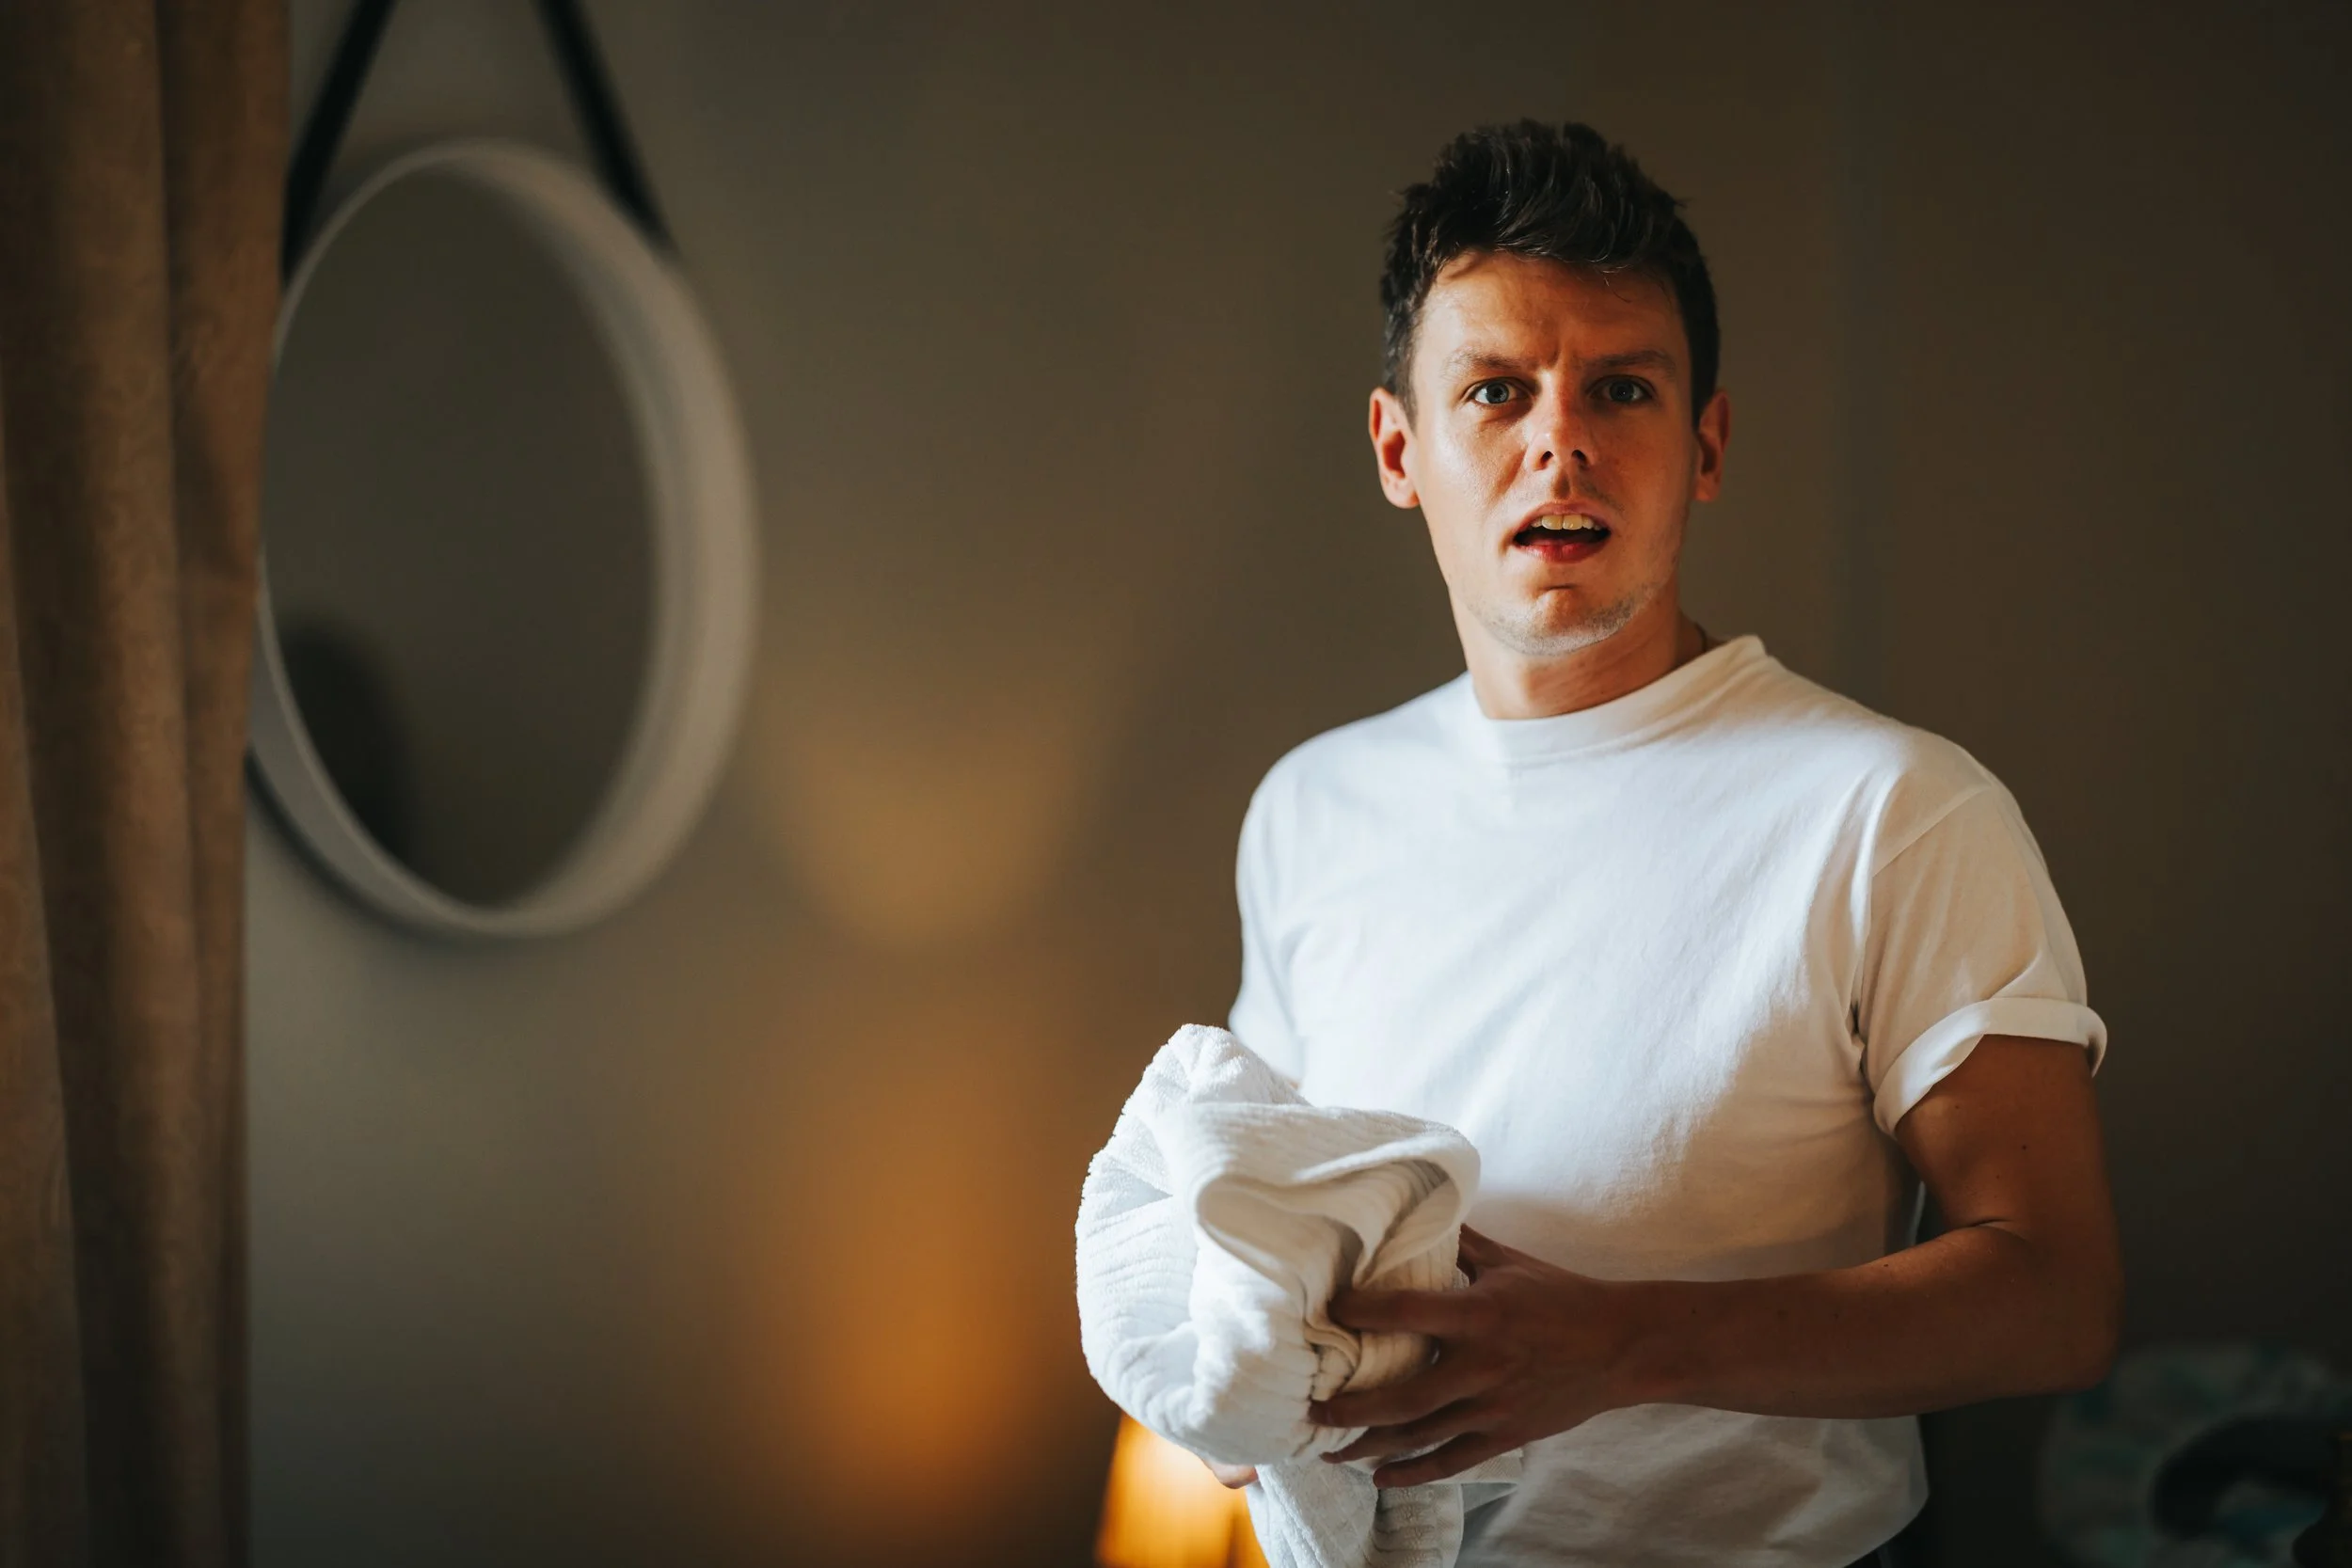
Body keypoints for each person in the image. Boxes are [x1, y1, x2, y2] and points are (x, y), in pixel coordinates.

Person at [1200, 120, 2122, 1568]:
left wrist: (1625, 1342)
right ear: (1401, 447)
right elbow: (1259, 1212)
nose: (1558, 438)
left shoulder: (1893, 809)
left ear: (1705, 444)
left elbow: (2056, 1294)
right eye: (1495, 389)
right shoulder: (1313, 808)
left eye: (1620, 387)